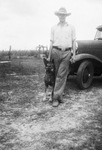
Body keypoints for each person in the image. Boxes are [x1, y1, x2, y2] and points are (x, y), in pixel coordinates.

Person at [48, 7, 76, 107]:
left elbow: (73, 42)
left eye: (63, 15)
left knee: (61, 75)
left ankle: (55, 98)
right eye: (60, 15)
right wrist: (49, 56)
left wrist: (74, 55)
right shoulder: (53, 28)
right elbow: (51, 42)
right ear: (58, 16)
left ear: (66, 16)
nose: (62, 16)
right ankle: (59, 96)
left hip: (67, 53)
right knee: (56, 74)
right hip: (55, 51)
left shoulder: (71, 27)